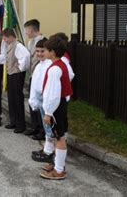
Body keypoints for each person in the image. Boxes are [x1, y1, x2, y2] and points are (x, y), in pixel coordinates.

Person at [39, 36, 73, 180]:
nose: (44, 53)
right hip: (60, 105)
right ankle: (57, 164)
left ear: (52, 52)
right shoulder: (60, 64)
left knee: (59, 137)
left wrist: (48, 113)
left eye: (46, 50)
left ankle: (59, 170)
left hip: (56, 107)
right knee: (59, 136)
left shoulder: (55, 69)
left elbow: (53, 93)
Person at [2, 28, 30, 133]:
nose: (4, 40)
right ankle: (13, 121)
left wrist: (20, 68)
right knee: (11, 98)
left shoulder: (18, 46)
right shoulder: (9, 45)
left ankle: (20, 125)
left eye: (4, 37)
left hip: (17, 75)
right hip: (11, 74)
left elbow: (26, 56)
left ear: (10, 36)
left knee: (17, 99)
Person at [24, 19, 46, 139]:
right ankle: (35, 126)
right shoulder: (30, 42)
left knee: (40, 103)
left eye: (27, 30)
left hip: (40, 77)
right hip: (33, 74)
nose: (26, 33)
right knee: (32, 101)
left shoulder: (44, 42)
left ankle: (42, 130)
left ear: (32, 30)